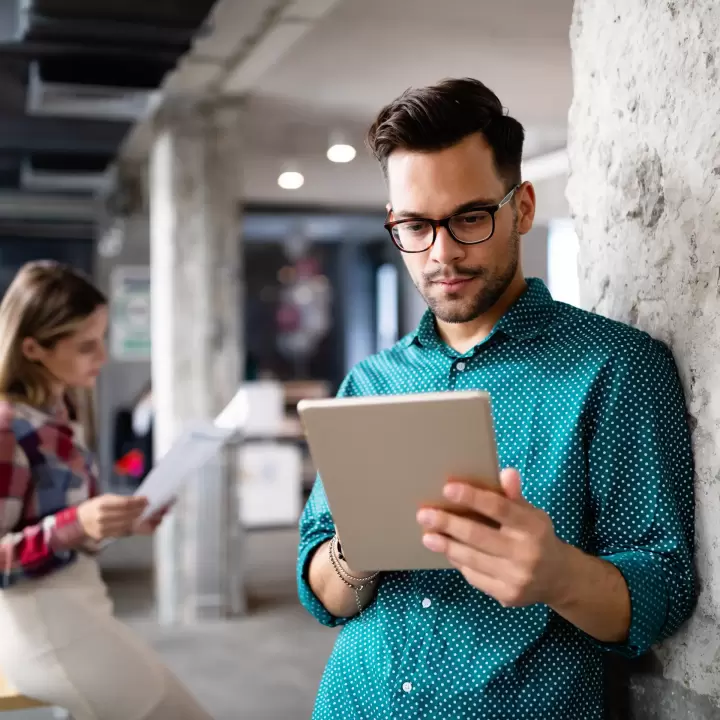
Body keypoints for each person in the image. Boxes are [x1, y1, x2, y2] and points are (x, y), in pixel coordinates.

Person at [297, 78, 695, 720]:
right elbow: (321, 589)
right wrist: (355, 550)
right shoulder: (370, 382)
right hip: (353, 701)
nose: (443, 252)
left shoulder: (614, 366)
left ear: (523, 207)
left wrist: (559, 575)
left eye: (470, 218)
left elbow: (666, 587)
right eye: (416, 226)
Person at [0, 261, 211, 720]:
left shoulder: (62, 410)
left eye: (102, 338)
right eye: (85, 346)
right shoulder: (7, 427)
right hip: (43, 626)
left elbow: (63, 530)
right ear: (33, 348)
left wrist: (119, 524)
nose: (103, 355)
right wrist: (75, 524)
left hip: (82, 608)